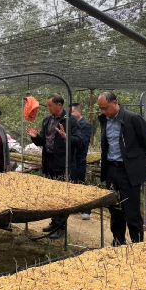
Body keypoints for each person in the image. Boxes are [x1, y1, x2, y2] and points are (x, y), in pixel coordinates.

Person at [97, 91, 146, 246]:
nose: (103, 111)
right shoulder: (104, 120)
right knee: (114, 208)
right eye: (100, 108)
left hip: (128, 172)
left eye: (105, 108)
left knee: (131, 210)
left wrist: (133, 161)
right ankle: (118, 241)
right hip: (111, 170)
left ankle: (137, 245)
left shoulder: (133, 119)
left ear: (115, 103)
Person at [26, 94, 82, 239]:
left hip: (63, 162)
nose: (48, 108)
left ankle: (60, 226)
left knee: (61, 195)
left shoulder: (70, 120)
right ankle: (53, 222)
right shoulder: (47, 119)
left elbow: (79, 140)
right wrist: (35, 137)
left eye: (50, 105)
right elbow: (43, 141)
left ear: (59, 105)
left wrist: (66, 137)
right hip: (48, 160)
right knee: (51, 193)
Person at [71, 103, 93, 220]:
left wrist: (69, 138)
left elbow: (82, 142)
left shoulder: (86, 125)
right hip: (70, 158)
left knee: (80, 183)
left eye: (72, 112)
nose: (71, 115)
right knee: (71, 182)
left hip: (79, 158)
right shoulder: (71, 124)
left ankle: (86, 210)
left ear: (79, 112)